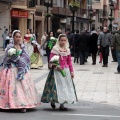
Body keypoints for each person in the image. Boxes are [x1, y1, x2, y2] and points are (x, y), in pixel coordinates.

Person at [0, 30, 40, 113]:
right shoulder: (9, 47)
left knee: (22, 87)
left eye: (19, 37)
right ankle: (8, 103)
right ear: (13, 37)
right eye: (16, 37)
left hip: (21, 70)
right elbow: (6, 59)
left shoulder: (22, 47)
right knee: (11, 87)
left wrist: (21, 60)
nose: (18, 38)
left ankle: (23, 104)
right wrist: (14, 58)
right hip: (11, 69)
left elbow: (26, 57)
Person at [41, 34, 77, 110]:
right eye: (62, 40)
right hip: (56, 70)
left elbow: (69, 61)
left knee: (64, 87)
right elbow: (51, 60)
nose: (63, 42)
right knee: (56, 87)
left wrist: (72, 71)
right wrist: (57, 66)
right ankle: (53, 101)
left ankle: (62, 104)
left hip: (65, 70)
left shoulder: (67, 50)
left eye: (64, 40)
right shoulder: (55, 49)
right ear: (59, 40)